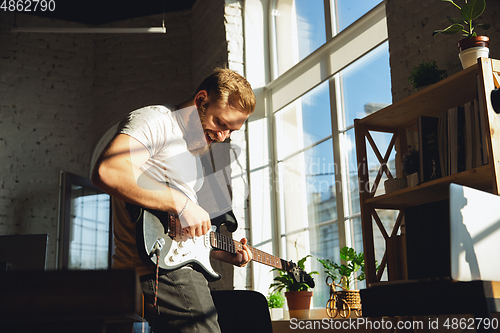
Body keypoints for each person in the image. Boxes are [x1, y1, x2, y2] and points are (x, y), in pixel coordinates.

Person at [91, 68, 256, 333]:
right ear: (201, 99)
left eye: (231, 131)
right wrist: (181, 202)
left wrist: (219, 251)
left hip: (174, 264)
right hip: (156, 268)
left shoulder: (193, 149)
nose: (223, 136)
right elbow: (108, 172)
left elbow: (174, 226)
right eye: (220, 123)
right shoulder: (156, 120)